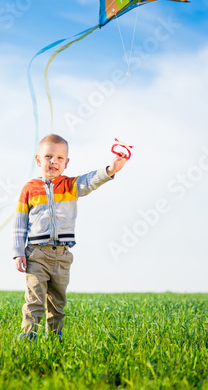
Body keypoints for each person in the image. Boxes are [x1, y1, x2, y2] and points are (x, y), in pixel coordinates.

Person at [12, 133, 128, 340]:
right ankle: (28, 337)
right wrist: (18, 252)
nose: (53, 162)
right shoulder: (29, 189)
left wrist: (110, 170)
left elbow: (90, 181)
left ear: (66, 162)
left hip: (62, 255)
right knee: (35, 299)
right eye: (48, 157)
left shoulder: (70, 186)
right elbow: (19, 223)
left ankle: (56, 338)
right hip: (36, 254)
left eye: (59, 158)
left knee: (58, 301)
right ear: (38, 160)